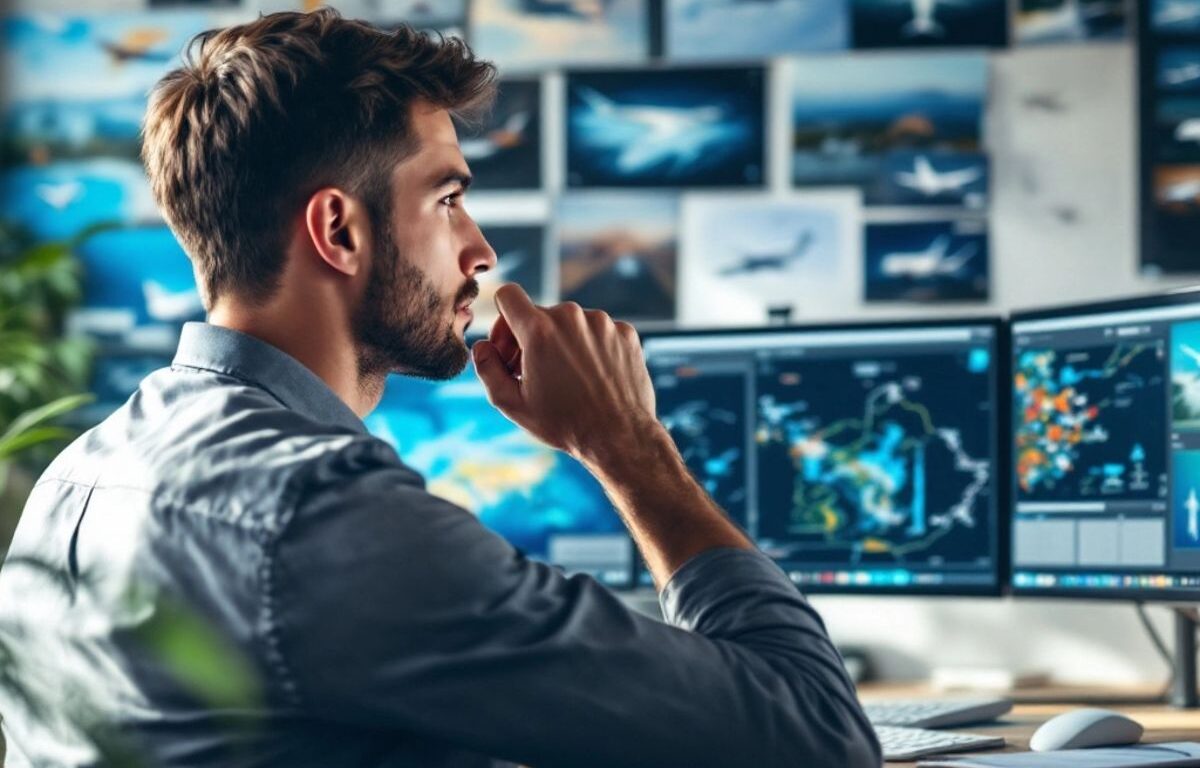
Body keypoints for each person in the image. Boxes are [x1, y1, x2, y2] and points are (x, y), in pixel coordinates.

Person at [0, 9, 881, 768]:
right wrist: (628, 449)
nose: (481, 250)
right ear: (338, 230)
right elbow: (814, 737)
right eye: (449, 199)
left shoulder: (75, 477)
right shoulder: (320, 515)